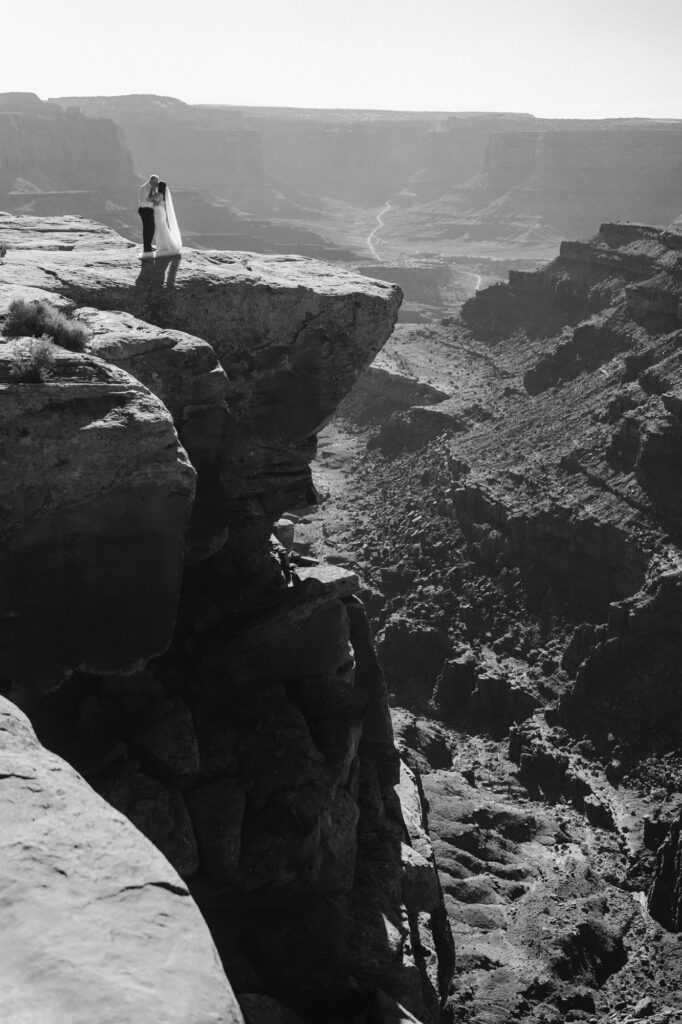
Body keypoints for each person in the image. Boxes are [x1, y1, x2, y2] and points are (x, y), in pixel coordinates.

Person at [152, 181, 182, 256]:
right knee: (162, 227)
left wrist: (151, 198)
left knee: (161, 227)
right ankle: (164, 244)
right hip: (160, 211)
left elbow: (156, 203)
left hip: (159, 211)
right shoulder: (163, 194)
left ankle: (164, 245)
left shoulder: (160, 194)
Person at [138, 174, 159, 258]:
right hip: (145, 210)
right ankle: (146, 248)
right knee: (147, 228)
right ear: (151, 181)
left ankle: (148, 246)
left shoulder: (152, 188)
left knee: (151, 228)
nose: (156, 184)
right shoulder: (144, 188)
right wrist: (154, 201)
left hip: (149, 210)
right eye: (155, 182)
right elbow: (144, 201)